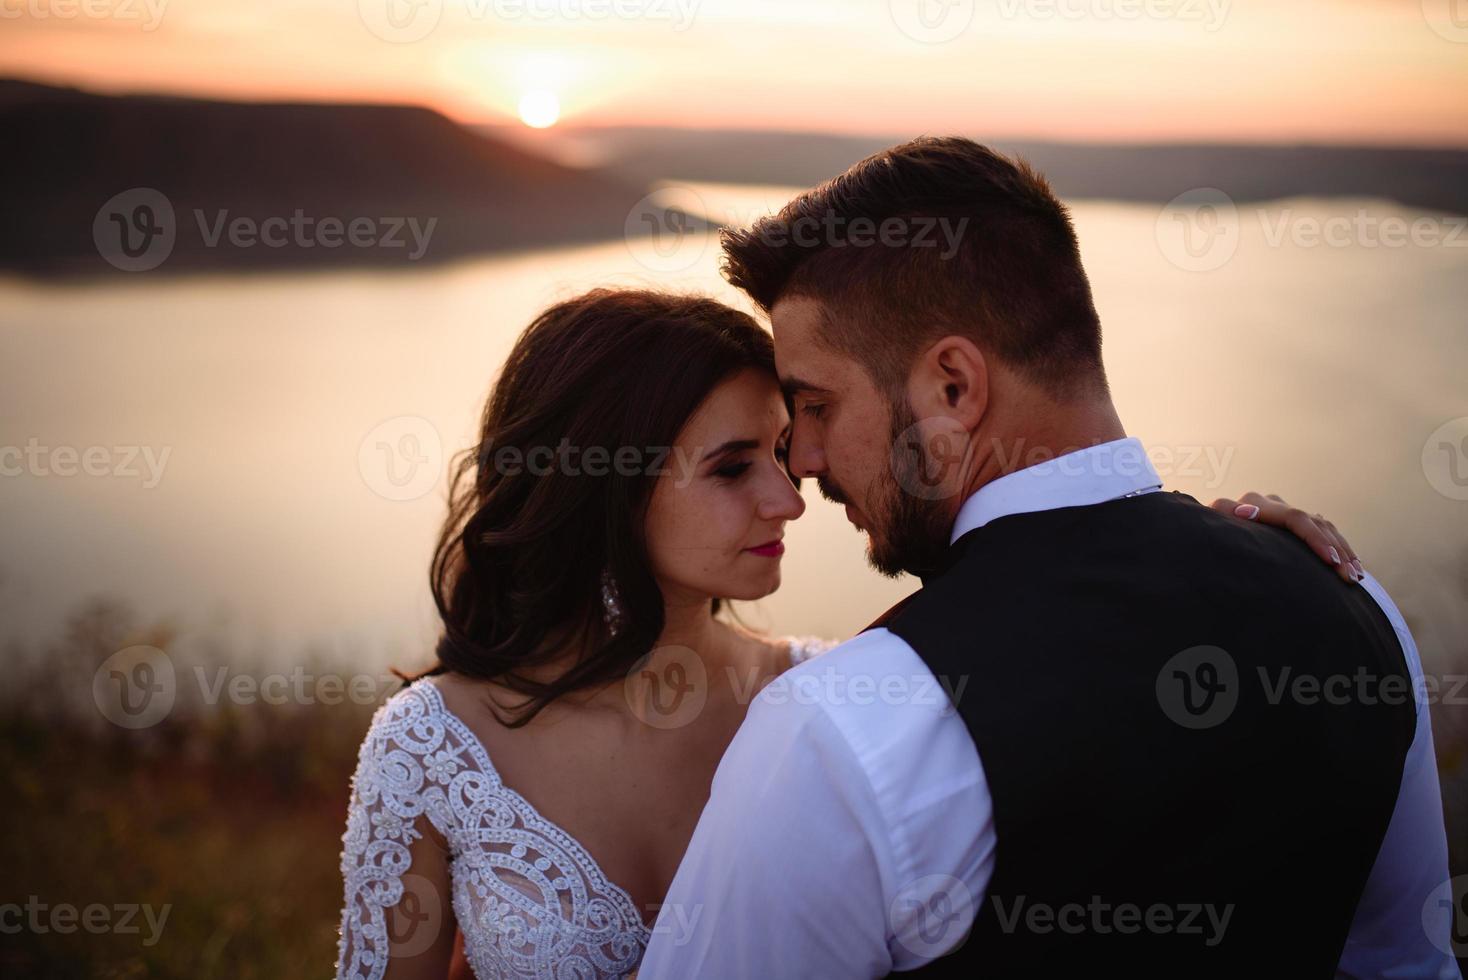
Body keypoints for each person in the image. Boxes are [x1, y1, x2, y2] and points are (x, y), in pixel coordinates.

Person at [337, 289, 1370, 980]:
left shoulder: (839, 710)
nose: (792, 496)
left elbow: (1094, 678)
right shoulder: (431, 746)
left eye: (786, 451)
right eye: (735, 465)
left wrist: (1226, 552)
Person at [635, 138, 1458, 979]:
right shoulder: (1359, 609)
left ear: (953, 388)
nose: (802, 460)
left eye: (816, 405)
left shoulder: (843, 731)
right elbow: (1410, 965)